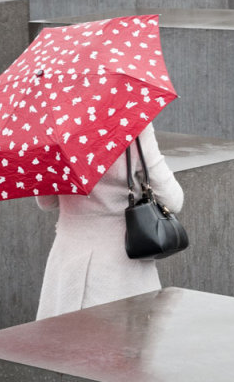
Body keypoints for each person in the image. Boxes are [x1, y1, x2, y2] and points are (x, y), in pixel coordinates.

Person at [35, 122, 183, 319]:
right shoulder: (133, 123)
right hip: (121, 267)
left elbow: (47, 202)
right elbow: (173, 200)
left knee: (62, 344)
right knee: (123, 344)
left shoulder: (52, 125)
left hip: (67, 264)